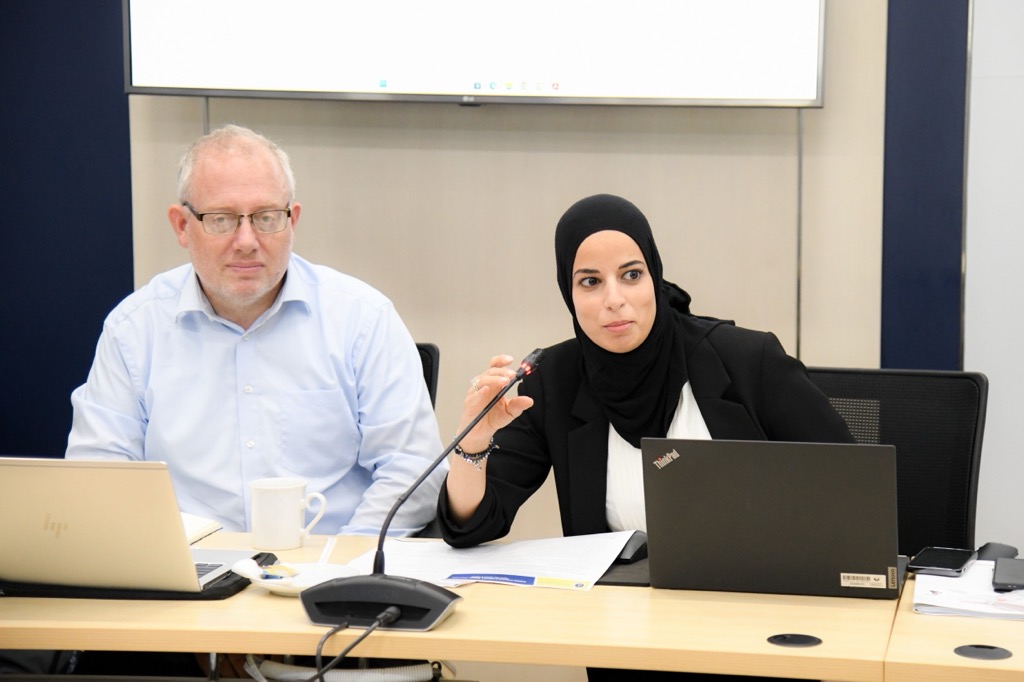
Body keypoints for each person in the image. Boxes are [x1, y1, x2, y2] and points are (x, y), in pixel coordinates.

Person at [437, 193, 854, 681]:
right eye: (590, 282)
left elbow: (849, 488)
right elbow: (471, 526)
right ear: (568, 293)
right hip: (629, 645)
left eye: (631, 275)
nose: (614, 299)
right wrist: (473, 442)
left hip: (762, 637)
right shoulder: (554, 381)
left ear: (654, 276)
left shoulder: (746, 361)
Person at [67, 124, 446, 537]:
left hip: (330, 563)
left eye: (266, 218)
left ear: (292, 221)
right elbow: (98, 475)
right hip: (187, 565)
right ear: (181, 226)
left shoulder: (363, 320)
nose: (247, 241)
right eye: (221, 219)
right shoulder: (134, 329)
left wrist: (342, 562)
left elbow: (414, 473)